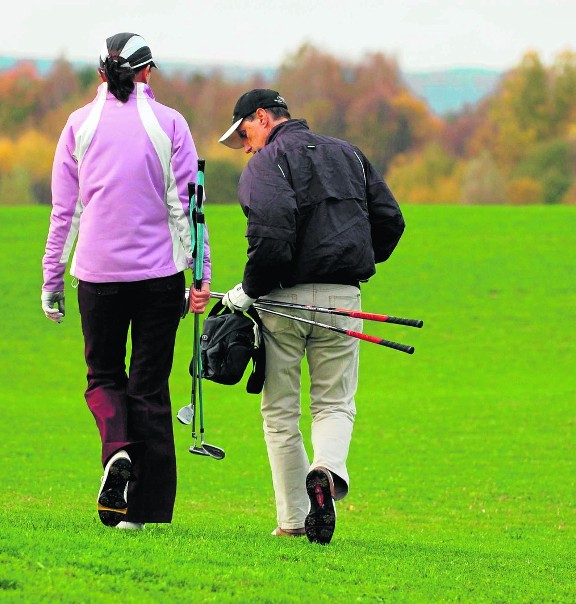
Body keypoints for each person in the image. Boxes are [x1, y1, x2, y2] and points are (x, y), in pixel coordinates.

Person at [190, 89, 405, 544]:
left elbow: (271, 241)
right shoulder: (350, 155)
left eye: (245, 134)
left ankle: (292, 520)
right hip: (345, 299)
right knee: (334, 403)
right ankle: (325, 471)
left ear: (263, 117)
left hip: (280, 302)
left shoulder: (266, 166)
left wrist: (247, 292)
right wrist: (353, 260)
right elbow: (390, 221)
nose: (246, 147)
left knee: (280, 413)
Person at [41, 32, 210, 530]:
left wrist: (52, 280)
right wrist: (199, 276)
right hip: (159, 280)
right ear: (147, 72)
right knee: (150, 387)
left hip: (96, 278)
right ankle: (147, 515)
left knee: (104, 379)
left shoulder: (77, 125)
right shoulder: (171, 123)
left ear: (100, 73)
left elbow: (63, 214)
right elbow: (189, 210)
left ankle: (116, 451)